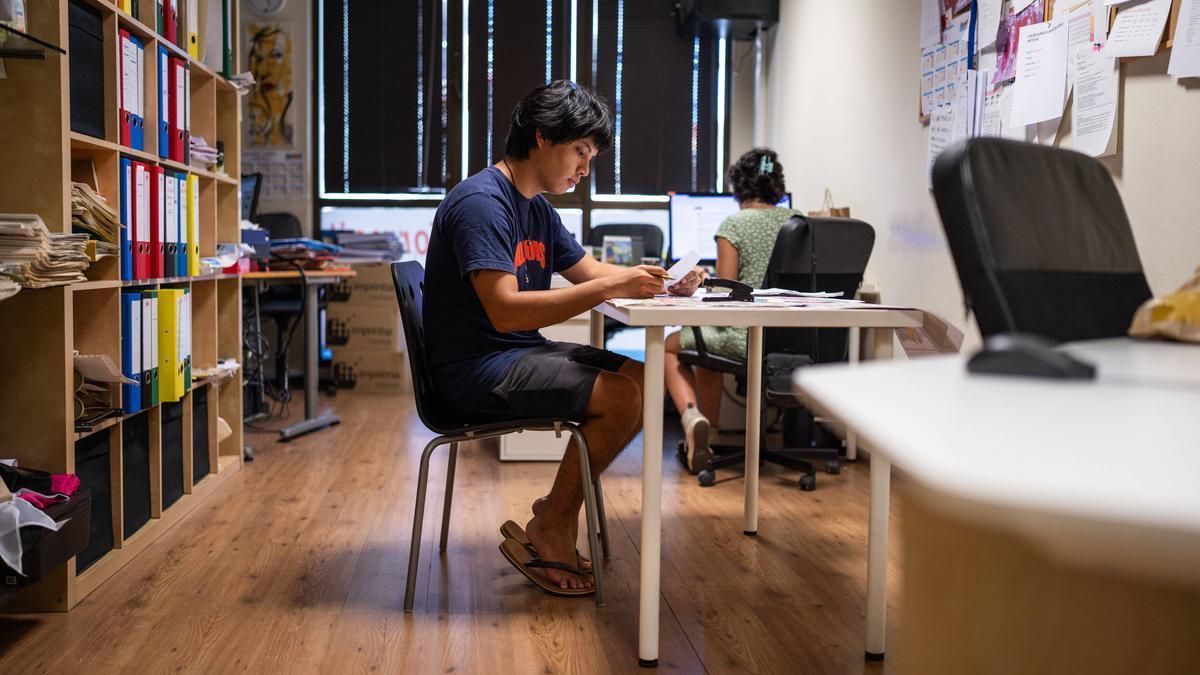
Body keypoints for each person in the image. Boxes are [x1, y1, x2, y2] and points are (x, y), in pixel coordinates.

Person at [422, 80, 704, 595]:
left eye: (590, 156)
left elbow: (596, 273)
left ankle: (552, 513)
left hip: (512, 354)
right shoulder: (482, 203)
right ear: (543, 136)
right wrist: (613, 284)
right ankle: (553, 524)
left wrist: (661, 284)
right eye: (580, 151)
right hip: (473, 373)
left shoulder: (538, 209)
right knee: (620, 398)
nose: (584, 168)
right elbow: (505, 312)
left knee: (643, 380)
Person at [666, 148, 798, 473]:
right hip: (792, 340)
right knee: (704, 345)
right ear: (776, 184)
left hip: (746, 339)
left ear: (738, 186)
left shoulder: (734, 224)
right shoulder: (799, 222)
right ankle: (703, 434)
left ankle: (697, 425)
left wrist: (701, 279)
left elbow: (726, 291)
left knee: (671, 346)